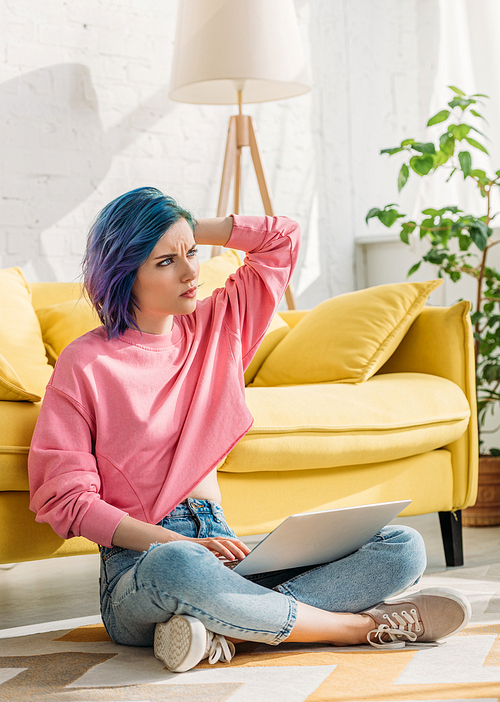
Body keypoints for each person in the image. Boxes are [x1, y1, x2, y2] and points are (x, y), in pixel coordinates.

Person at [28, 186, 471, 673]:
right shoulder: (86, 363)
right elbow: (64, 500)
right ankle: (358, 628)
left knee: (402, 547)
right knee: (183, 567)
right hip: (143, 565)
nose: (191, 271)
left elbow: (282, 239)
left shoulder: (217, 325)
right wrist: (173, 542)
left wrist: (181, 225)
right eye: (164, 262)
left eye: (192, 253)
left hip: (228, 547)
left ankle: (222, 627)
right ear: (124, 271)